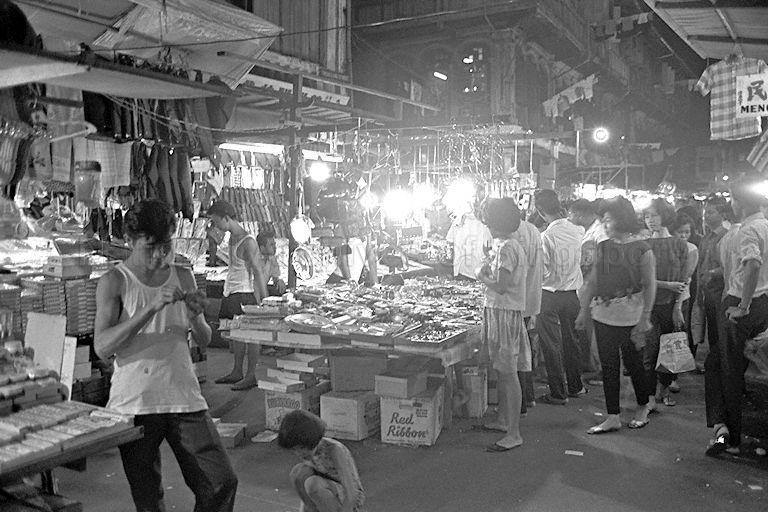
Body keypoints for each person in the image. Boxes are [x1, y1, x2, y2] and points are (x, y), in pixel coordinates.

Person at [94, 199, 238, 512]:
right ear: (130, 242)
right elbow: (103, 348)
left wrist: (195, 317)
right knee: (148, 499)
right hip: (135, 401)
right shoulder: (115, 282)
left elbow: (205, 337)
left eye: (166, 245)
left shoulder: (182, 275)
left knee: (221, 481)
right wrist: (150, 308)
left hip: (184, 395)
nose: (161, 255)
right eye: (151, 247)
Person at [576, 197, 656, 434]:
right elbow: (593, 281)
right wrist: (583, 309)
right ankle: (613, 415)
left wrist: (646, 317)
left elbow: (650, 285)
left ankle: (643, 406)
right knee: (609, 365)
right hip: (603, 314)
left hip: (632, 316)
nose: (605, 224)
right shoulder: (603, 247)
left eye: (608, 220)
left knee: (634, 364)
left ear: (621, 219)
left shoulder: (643, 249)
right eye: (604, 220)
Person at [706, 173, 768, 457]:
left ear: (739, 203)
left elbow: (753, 264)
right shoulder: (764, 226)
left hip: (744, 304)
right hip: (762, 302)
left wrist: (741, 305)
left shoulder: (746, 231)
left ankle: (729, 438)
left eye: (731, 199)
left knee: (728, 369)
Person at [476, 198, 531, 451]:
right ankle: (502, 420)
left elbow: (501, 286)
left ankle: (514, 432)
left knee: (509, 374)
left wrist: (481, 276)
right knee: (501, 370)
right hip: (499, 312)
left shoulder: (508, 248)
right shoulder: (505, 245)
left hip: (505, 314)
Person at [208, 199, 268, 390]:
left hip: (244, 292)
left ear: (227, 218)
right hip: (232, 290)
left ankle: (250, 375)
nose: (216, 225)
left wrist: (265, 300)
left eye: (217, 221)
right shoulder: (231, 237)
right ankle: (237, 371)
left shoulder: (248, 241)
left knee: (250, 335)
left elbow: (258, 271)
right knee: (237, 335)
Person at [534, 189, 586, 405]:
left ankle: (558, 393)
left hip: (550, 295)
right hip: (572, 296)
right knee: (571, 342)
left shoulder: (546, 236)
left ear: (539, 210)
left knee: (551, 344)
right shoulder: (578, 230)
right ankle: (576, 386)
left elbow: (542, 271)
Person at [642, 198, 690, 408]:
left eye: (654, 215)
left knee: (669, 350)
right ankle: (649, 396)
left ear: (665, 216)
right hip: (649, 305)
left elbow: (684, 280)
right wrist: (666, 285)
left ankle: (664, 389)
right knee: (650, 351)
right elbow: (641, 278)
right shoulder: (643, 244)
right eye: (646, 216)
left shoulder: (680, 244)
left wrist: (678, 306)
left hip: (672, 305)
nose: (650, 220)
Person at [279, 410, 365, 512]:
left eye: (301, 449)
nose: (299, 454)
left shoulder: (334, 450)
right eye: (294, 450)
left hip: (350, 498)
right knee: (298, 473)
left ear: (311, 442)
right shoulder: (308, 452)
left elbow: (351, 493)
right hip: (327, 488)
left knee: (313, 484)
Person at [568, 198, 609, 386]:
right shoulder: (591, 231)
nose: (570, 218)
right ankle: (593, 366)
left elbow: (593, 263)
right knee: (588, 330)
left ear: (580, 214)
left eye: (571, 214)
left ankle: (602, 371)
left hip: (593, 288)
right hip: (587, 286)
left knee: (595, 332)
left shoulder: (599, 233)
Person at [510, 212, 543, 413]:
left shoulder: (513, 238)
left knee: (515, 356)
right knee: (525, 350)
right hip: (528, 299)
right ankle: (527, 397)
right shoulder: (531, 229)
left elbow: (508, 278)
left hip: (516, 303)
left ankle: (519, 404)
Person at [668, 212, 700, 393]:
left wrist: (677, 305)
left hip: (681, 299)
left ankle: (672, 377)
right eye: (680, 232)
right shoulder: (666, 247)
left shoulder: (691, 249)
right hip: (662, 297)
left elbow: (685, 279)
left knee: (676, 337)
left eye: (687, 232)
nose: (683, 235)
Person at [446, 207, 493, 280]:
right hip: (474, 270)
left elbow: (449, 241)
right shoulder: (484, 224)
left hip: (463, 269)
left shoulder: (459, 221)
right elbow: (488, 248)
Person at [256, 225, 286, 296]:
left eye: (274, 244)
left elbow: (275, 279)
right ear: (262, 248)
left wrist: (279, 281)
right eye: (271, 245)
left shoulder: (272, 259)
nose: (275, 247)